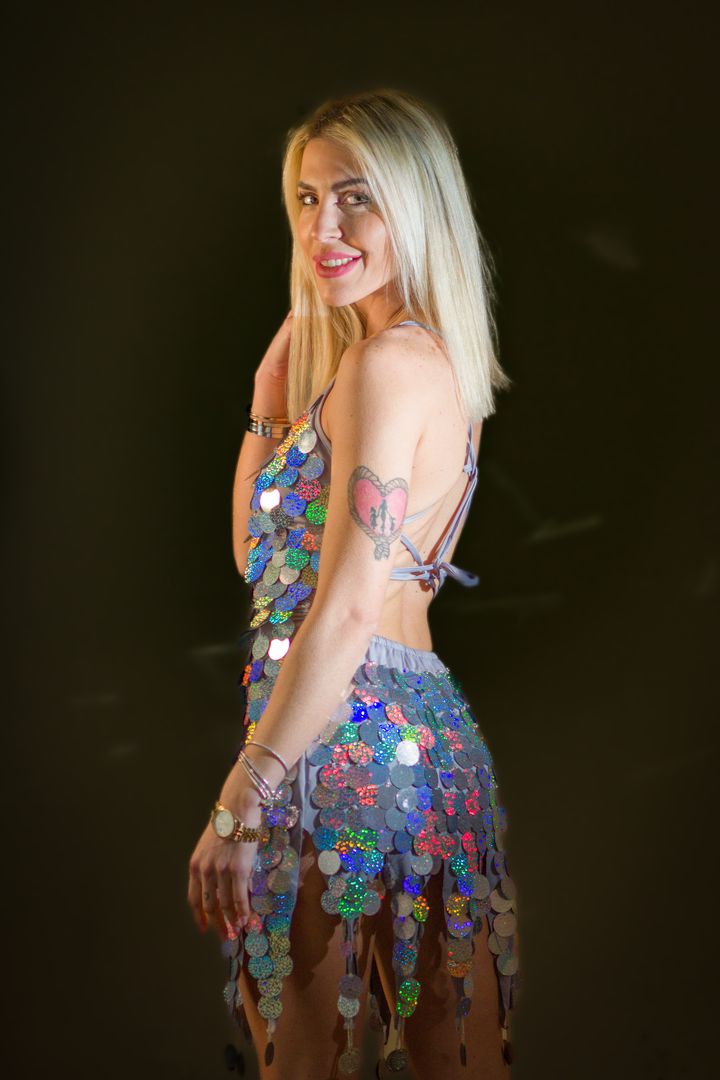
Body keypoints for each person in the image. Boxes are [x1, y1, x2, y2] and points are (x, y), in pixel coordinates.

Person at [187, 88, 520, 1080]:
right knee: (454, 1057)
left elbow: (342, 609)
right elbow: (260, 561)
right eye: (306, 198)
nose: (321, 228)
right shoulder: (427, 362)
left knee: (305, 1059)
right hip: (424, 738)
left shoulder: (385, 365)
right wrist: (267, 400)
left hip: (341, 738)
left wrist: (242, 798)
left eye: (356, 198)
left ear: (416, 207)